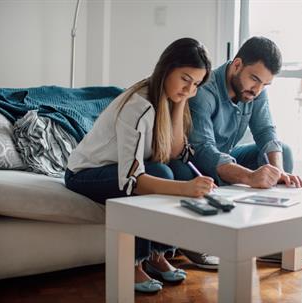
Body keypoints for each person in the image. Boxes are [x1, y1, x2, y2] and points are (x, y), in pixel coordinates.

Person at [64, 38, 215, 293]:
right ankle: (133, 262)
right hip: (84, 174)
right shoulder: (138, 105)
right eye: (185, 79)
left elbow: (175, 151)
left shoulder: (169, 97)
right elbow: (131, 179)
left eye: (196, 84)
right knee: (162, 173)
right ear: (167, 69)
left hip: (118, 170)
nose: (190, 88)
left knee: (179, 169)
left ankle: (156, 254)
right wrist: (185, 190)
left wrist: (181, 102)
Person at [180, 36, 302, 269]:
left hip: (227, 157)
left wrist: (278, 172)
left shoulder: (256, 90)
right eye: (254, 79)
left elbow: (266, 132)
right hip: (196, 163)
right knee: (189, 169)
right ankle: (197, 242)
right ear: (237, 65)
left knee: (284, 153)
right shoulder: (204, 92)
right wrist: (250, 177)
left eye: (265, 85)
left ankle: (268, 241)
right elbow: (203, 151)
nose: (258, 89)